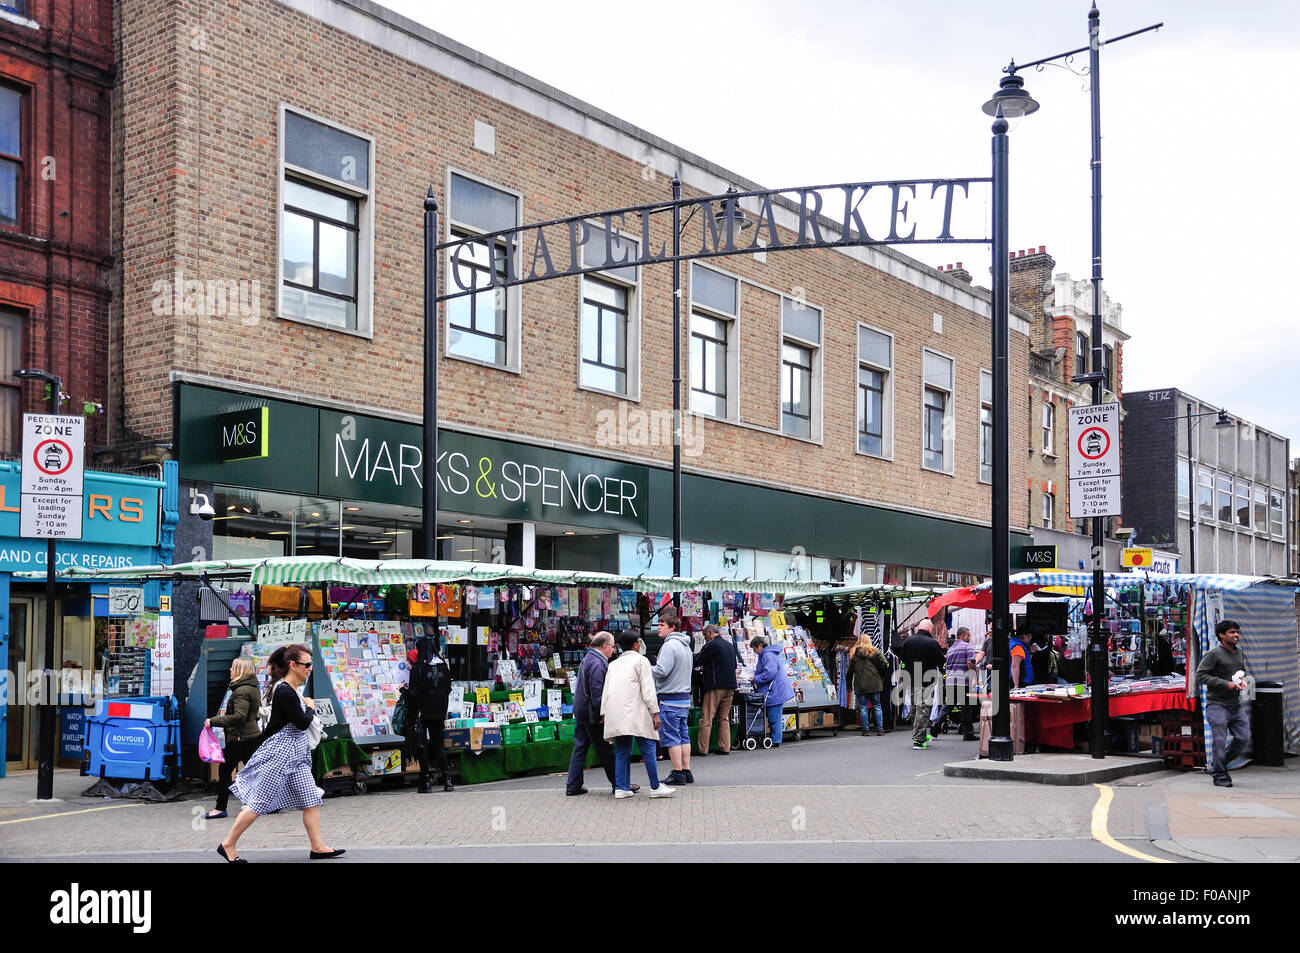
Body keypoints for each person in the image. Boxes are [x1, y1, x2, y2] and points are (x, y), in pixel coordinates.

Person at [218, 643, 343, 862]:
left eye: (310, 664)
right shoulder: (285, 691)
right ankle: (228, 844)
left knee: (310, 798)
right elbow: (302, 723)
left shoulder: (293, 689)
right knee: (259, 802)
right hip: (280, 754)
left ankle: (318, 847)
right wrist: (311, 706)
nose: (310, 668)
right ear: (292, 665)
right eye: (307, 664)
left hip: (296, 754)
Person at [602, 632, 673, 798]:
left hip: (616, 712)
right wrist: (655, 713)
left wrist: (604, 713)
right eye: (639, 642)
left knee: (622, 750)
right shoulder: (641, 661)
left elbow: (606, 691)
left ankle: (621, 788)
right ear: (635, 645)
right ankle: (655, 786)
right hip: (636, 711)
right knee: (648, 747)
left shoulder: (613, 664)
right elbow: (648, 690)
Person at [566, 632, 635, 795]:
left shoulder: (589, 658)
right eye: (612, 646)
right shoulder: (598, 663)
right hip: (591, 714)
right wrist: (601, 714)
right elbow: (597, 693)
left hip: (582, 710)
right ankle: (619, 784)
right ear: (604, 647)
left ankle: (573, 785)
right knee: (605, 750)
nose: (613, 650)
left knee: (580, 748)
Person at [203, 657, 262, 819]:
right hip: (251, 735)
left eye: (233, 668)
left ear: (239, 671)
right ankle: (266, 803)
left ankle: (220, 807)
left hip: (240, 737)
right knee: (254, 771)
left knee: (225, 770)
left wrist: (213, 721)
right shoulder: (252, 687)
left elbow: (239, 717)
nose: (230, 670)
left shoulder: (241, 691)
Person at [1196, 619, 1251, 788]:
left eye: (1237, 632)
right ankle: (1220, 774)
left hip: (1235, 704)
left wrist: (1242, 682)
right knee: (1219, 741)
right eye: (1231, 632)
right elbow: (1200, 675)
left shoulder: (1239, 651)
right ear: (1221, 635)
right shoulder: (1213, 654)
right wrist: (1225, 684)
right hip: (1217, 705)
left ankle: (1218, 765)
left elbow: (1240, 672)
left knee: (1243, 737)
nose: (1236, 635)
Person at [652, 609, 694, 784]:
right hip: (684, 698)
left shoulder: (669, 646)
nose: (658, 629)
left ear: (672, 627)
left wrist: (646, 669)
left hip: (670, 699)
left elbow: (661, 671)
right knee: (683, 736)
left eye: (662, 625)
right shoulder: (685, 645)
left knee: (672, 737)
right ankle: (686, 770)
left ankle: (677, 773)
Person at [408, 636, 454, 793]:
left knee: (422, 745)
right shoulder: (444, 667)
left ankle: (425, 781)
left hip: (422, 711)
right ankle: (448, 779)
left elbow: (413, 693)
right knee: (439, 744)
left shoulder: (418, 668)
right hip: (440, 711)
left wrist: (403, 691)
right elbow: (448, 689)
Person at [900, 619, 945, 750]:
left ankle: (921, 734)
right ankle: (918, 740)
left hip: (911, 679)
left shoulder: (908, 641)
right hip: (926, 680)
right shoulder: (932, 643)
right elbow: (941, 660)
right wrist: (944, 672)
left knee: (915, 707)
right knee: (923, 709)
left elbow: (903, 660)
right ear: (930, 629)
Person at [695, 623, 737, 755]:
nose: (705, 638)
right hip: (730, 685)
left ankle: (703, 749)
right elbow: (735, 665)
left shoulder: (712, 644)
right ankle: (725, 747)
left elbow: (699, 660)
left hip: (715, 686)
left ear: (709, 633)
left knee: (706, 718)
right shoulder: (730, 645)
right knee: (724, 718)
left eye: (705, 636)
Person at [750, 636, 795, 746]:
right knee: (773, 715)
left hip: (775, 691)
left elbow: (770, 673)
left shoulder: (767, 655)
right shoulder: (767, 654)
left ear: (760, 646)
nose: (754, 651)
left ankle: (775, 739)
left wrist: (755, 679)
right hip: (774, 690)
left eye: (754, 648)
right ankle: (775, 738)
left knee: (774, 715)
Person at [847, 635, 888, 736]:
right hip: (875, 683)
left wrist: (849, 685)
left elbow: (850, 672)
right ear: (869, 641)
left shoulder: (854, 654)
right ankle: (880, 729)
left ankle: (866, 729)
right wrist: (881, 674)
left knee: (863, 707)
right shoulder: (875, 651)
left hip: (861, 684)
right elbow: (885, 663)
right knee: (877, 706)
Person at [943, 627, 978, 740]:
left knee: (949, 705)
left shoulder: (951, 649)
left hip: (950, 680)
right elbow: (970, 663)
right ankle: (968, 733)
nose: (970, 638)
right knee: (966, 707)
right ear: (963, 636)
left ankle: (936, 724)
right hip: (963, 681)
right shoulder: (967, 646)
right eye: (968, 635)